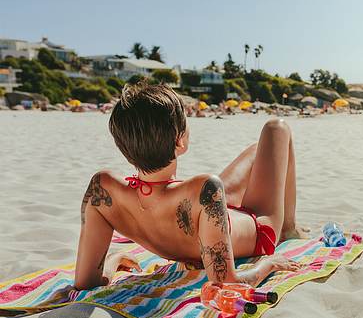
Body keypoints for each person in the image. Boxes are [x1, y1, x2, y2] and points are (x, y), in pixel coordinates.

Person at [74, 81, 305, 291]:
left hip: (204, 217)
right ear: (180, 141)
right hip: (258, 229)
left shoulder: (101, 190)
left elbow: (85, 283)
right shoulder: (204, 189)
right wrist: (269, 264)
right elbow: (227, 283)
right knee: (277, 128)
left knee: (259, 150)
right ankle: (288, 228)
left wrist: (112, 261)